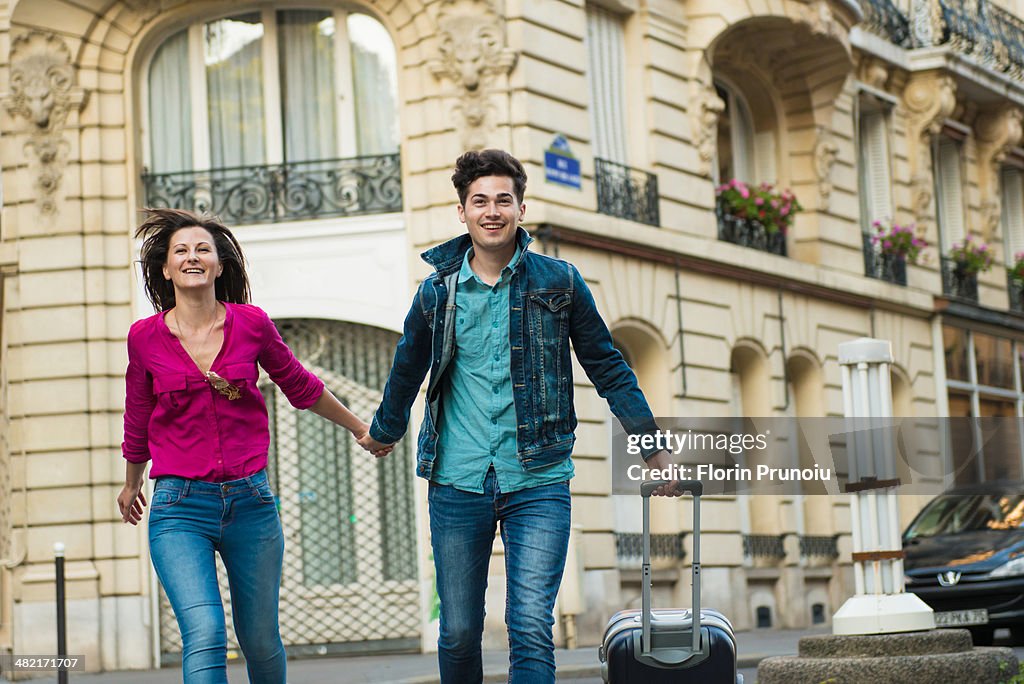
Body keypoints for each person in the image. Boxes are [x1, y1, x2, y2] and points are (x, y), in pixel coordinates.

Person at [359, 149, 675, 684]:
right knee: (459, 631)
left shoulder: (560, 282)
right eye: (479, 200)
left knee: (529, 623)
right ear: (461, 212)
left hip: (539, 476)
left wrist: (652, 446)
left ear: (520, 208)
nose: (492, 211)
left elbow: (609, 368)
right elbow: (406, 368)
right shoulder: (436, 293)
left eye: (503, 200)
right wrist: (385, 430)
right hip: (457, 480)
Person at [117, 208, 386, 684]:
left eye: (204, 249)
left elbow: (301, 385)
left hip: (251, 504)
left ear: (220, 265)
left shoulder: (252, 324)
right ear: (165, 268)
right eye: (181, 250)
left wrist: (358, 427)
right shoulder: (144, 338)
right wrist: (132, 481)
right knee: (204, 632)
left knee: (260, 641)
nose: (192, 256)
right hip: (180, 507)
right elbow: (138, 413)